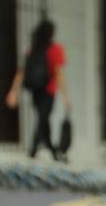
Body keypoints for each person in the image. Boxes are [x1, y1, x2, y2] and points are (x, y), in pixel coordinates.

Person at [6, 18, 69, 159]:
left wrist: (13, 91)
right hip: (49, 90)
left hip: (36, 90)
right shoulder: (56, 49)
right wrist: (65, 97)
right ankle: (33, 151)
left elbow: (21, 72)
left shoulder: (32, 49)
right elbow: (59, 74)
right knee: (42, 119)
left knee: (43, 119)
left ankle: (53, 151)